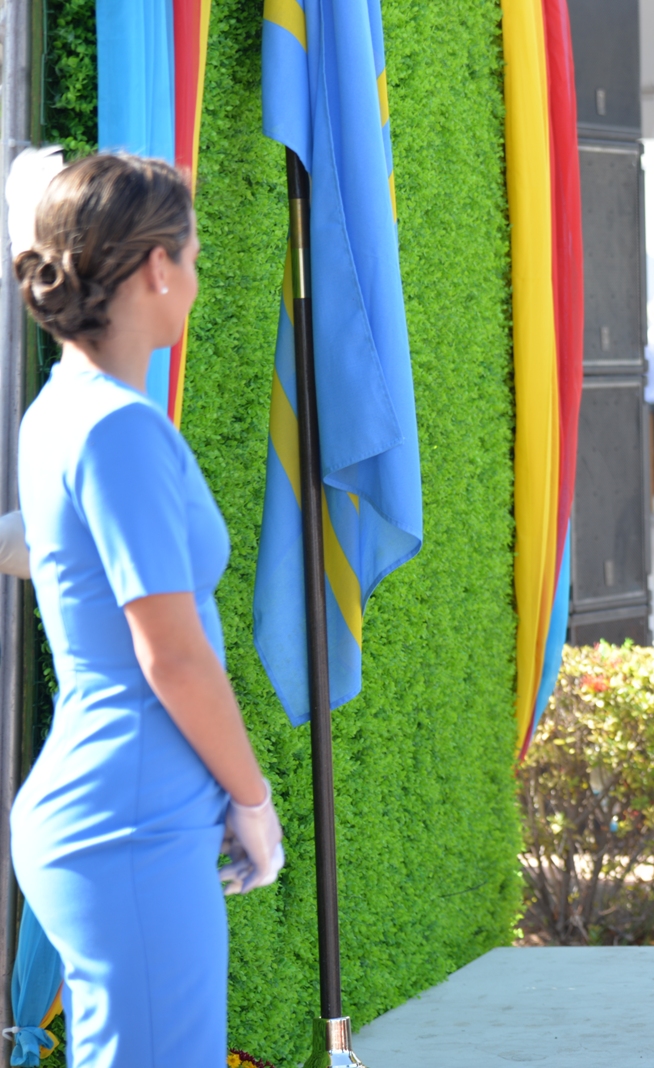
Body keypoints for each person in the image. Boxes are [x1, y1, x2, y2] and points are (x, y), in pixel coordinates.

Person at [9, 154, 283, 1068]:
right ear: (157, 267)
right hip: (129, 819)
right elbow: (172, 655)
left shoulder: (64, 410)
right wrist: (253, 799)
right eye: (194, 256)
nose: (197, 280)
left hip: (119, 812)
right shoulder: (116, 427)